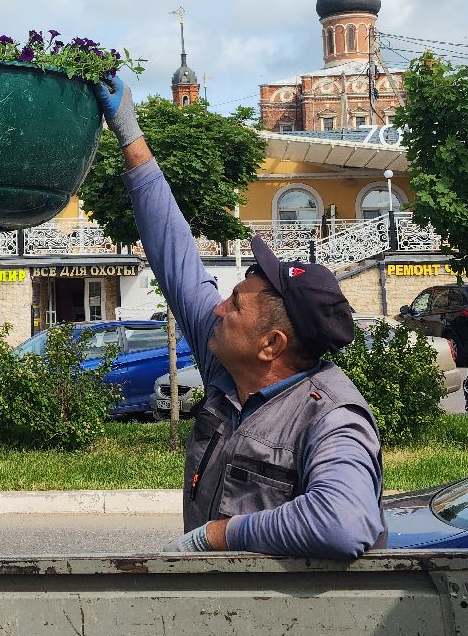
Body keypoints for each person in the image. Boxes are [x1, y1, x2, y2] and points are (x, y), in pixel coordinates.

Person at [96, 74, 385, 560]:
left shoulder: (331, 416)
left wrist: (216, 535)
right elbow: (176, 260)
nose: (216, 308)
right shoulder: (228, 373)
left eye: (234, 305)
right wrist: (130, 136)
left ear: (270, 344)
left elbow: (343, 522)